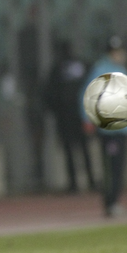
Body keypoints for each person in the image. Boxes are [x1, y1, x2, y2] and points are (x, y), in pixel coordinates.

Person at [81, 36, 127, 217]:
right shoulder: (100, 70)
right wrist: (87, 118)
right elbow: (88, 95)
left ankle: (115, 202)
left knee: (119, 166)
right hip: (108, 128)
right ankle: (110, 202)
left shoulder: (122, 71)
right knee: (110, 167)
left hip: (123, 128)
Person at [44, 40, 96, 193]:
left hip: (65, 116)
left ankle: (73, 184)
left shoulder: (57, 68)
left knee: (69, 150)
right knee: (84, 148)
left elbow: (49, 93)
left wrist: (55, 111)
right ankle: (91, 181)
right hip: (82, 114)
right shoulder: (83, 65)